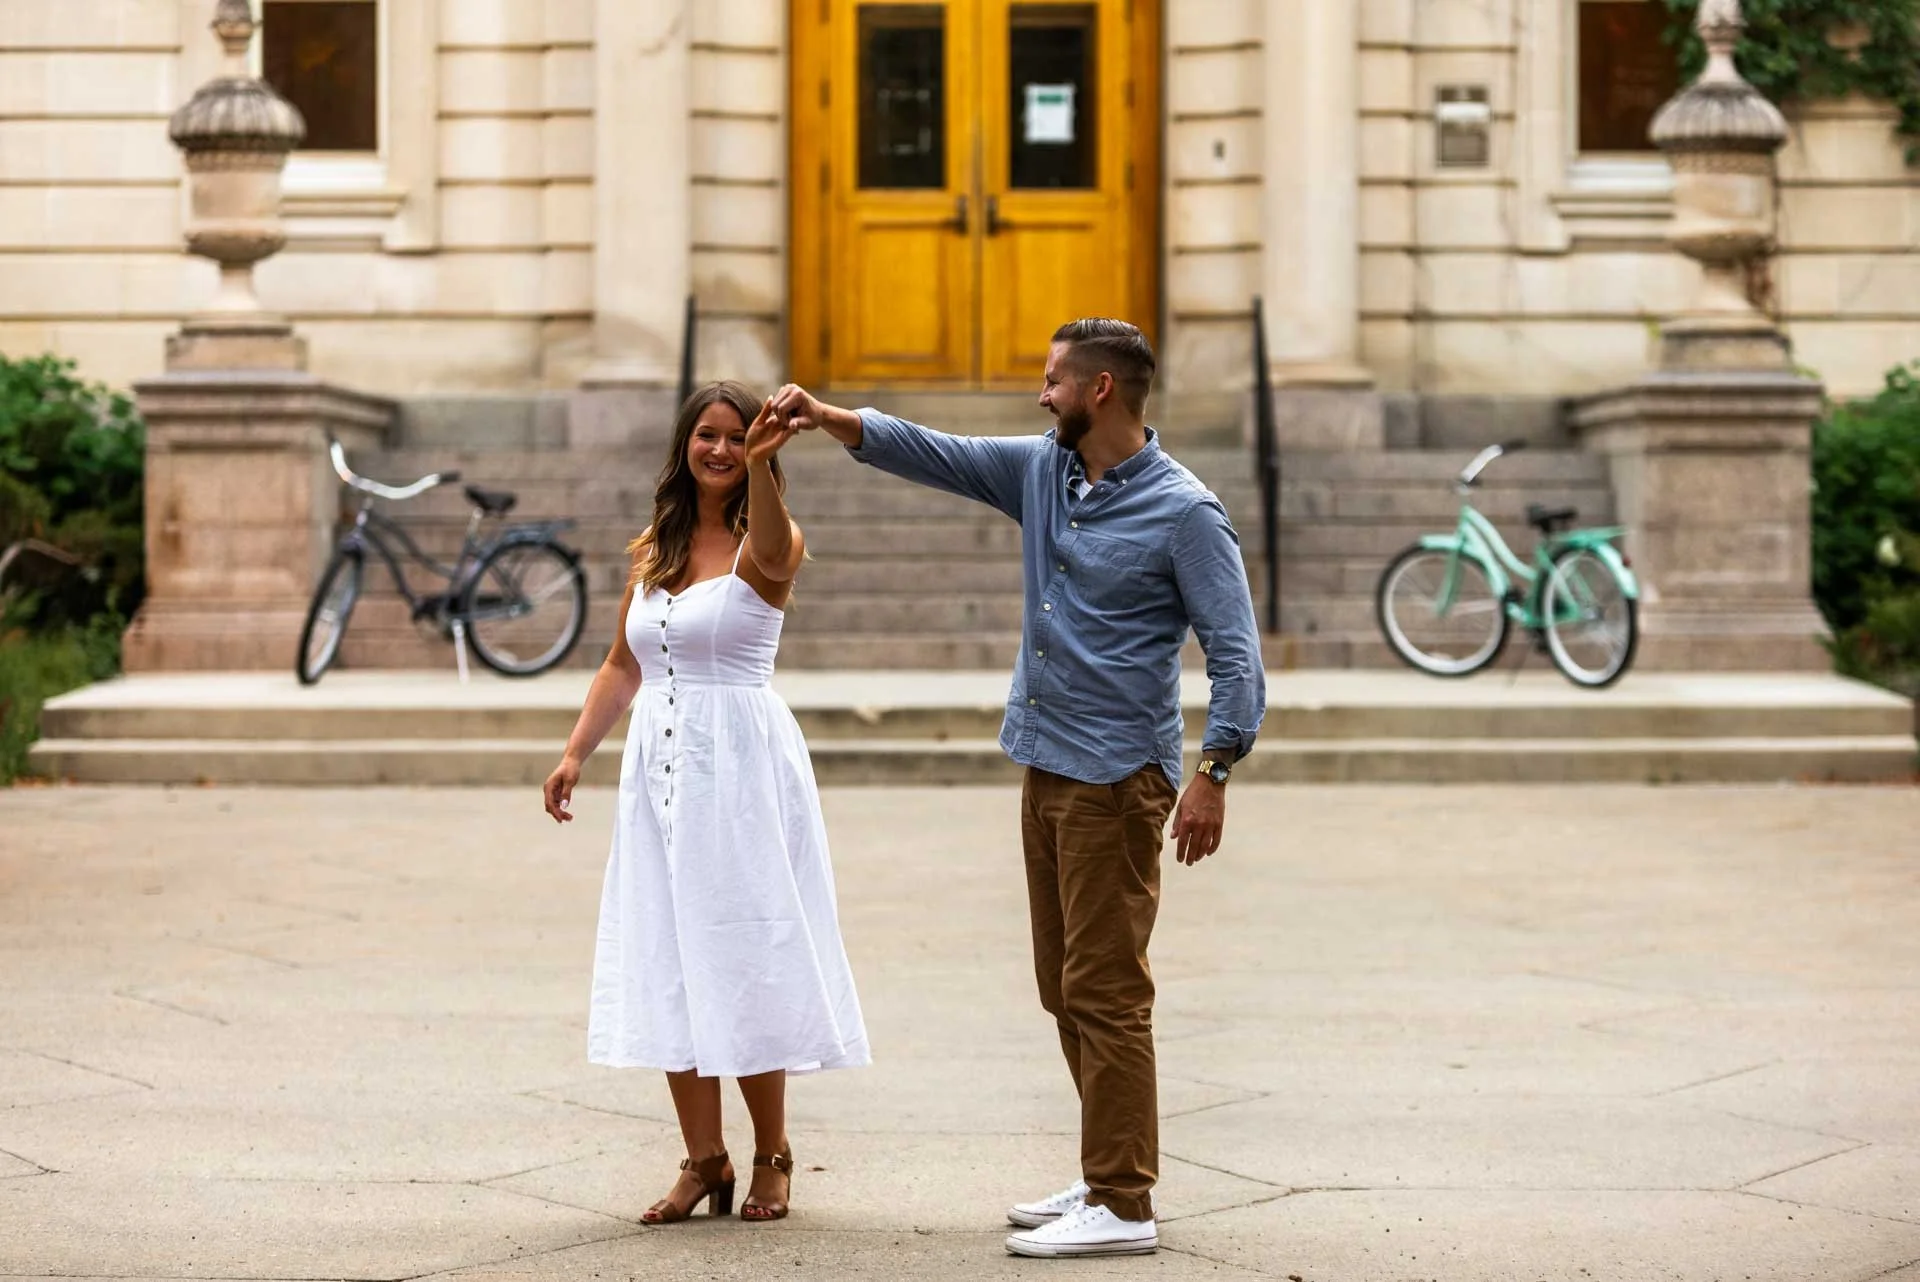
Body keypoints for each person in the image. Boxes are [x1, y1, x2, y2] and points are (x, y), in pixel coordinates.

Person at [770, 318, 1265, 1259]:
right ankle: (1106, 1162)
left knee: (1107, 991)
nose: (1042, 396)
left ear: (1101, 391)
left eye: (1053, 382)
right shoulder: (1045, 471)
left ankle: (1124, 1203)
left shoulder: (1185, 512)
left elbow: (1237, 658)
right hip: (1045, 761)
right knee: (1061, 985)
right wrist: (825, 416)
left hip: (1120, 779)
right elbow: (935, 452)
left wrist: (1214, 773)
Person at [543, 380, 870, 1226]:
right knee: (671, 954)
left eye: (736, 437)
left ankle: (772, 1155)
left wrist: (766, 467)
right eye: (708, 437)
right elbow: (623, 664)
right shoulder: (658, 546)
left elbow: (770, 544)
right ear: (685, 445)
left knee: (744, 951)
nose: (720, 449)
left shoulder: (771, 541)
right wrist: (577, 751)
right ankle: (704, 1159)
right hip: (659, 773)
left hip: (741, 771)